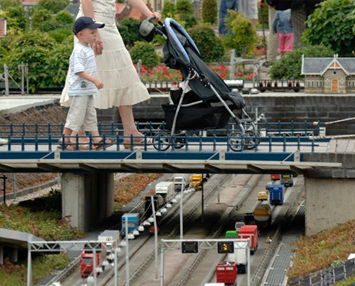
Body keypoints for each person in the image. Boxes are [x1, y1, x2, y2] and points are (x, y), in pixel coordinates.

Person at [60, 0, 161, 149]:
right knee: (83, 75)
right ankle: (78, 135)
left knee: (124, 73)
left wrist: (149, 13)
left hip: (108, 24)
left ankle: (130, 132)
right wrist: (94, 33)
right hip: (90, 24)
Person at [61, 16, 107, 151]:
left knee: (90, 114)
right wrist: (94, 80)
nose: (95, 35)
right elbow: (79, 70)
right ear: (81, 34)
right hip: (79, 90)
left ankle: (96, 137)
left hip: (87, 90)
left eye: (96, 32)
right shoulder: (78, 51)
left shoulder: (87, 49)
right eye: (92, 33)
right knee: (77, 115)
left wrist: (96, 53)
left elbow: (88, 64)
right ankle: (68, 139)